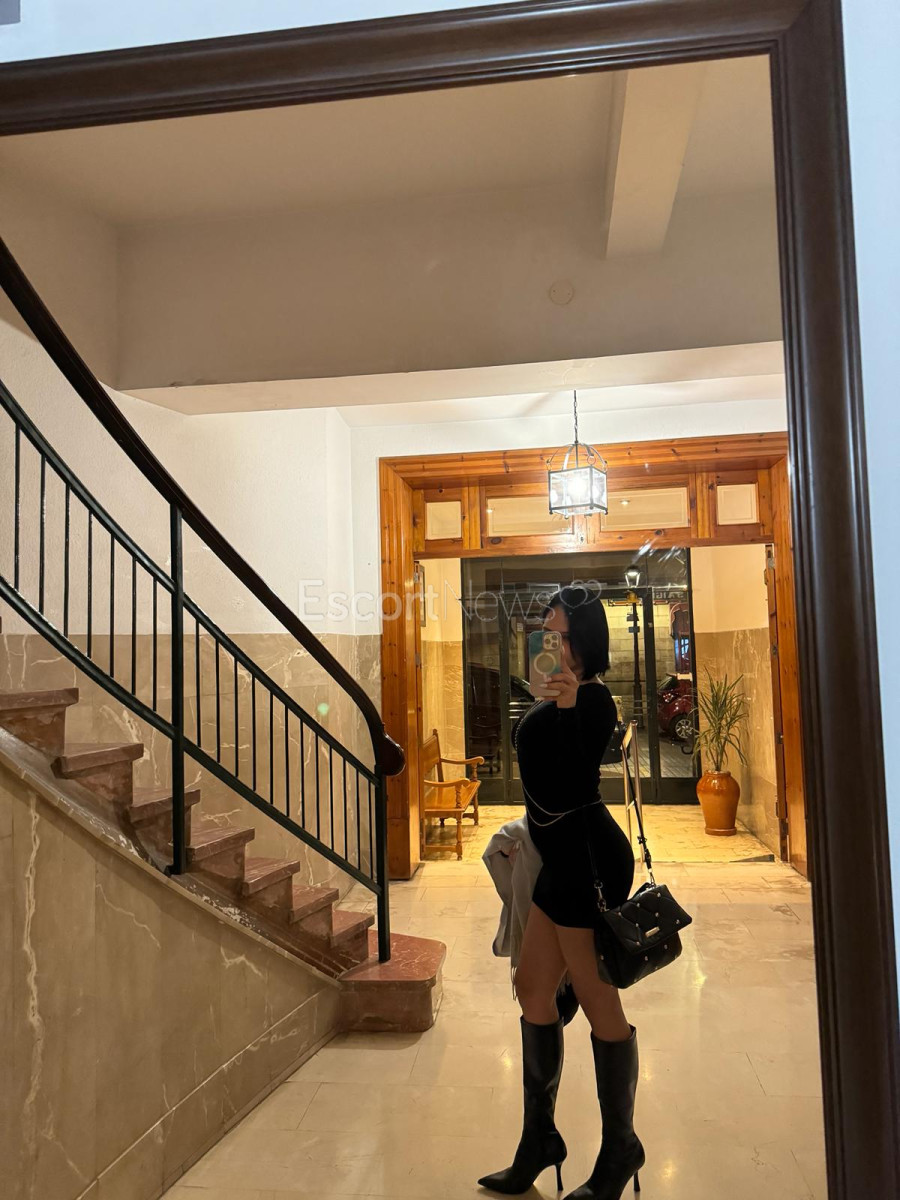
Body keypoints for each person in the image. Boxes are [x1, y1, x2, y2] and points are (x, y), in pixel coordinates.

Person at [478, 585, 644, 1200]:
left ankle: (621, 1148)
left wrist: (569, 706)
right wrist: (547, 702)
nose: (553, 645)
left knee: (599, 1001)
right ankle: (539, 1139)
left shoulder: (594, 700)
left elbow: (576, 781)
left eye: (562, 636)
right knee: (531, 987)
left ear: (585, 641)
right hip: (559, 860)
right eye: (546, 636)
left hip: (589, 861)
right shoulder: (547, 697)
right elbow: (539, 783)